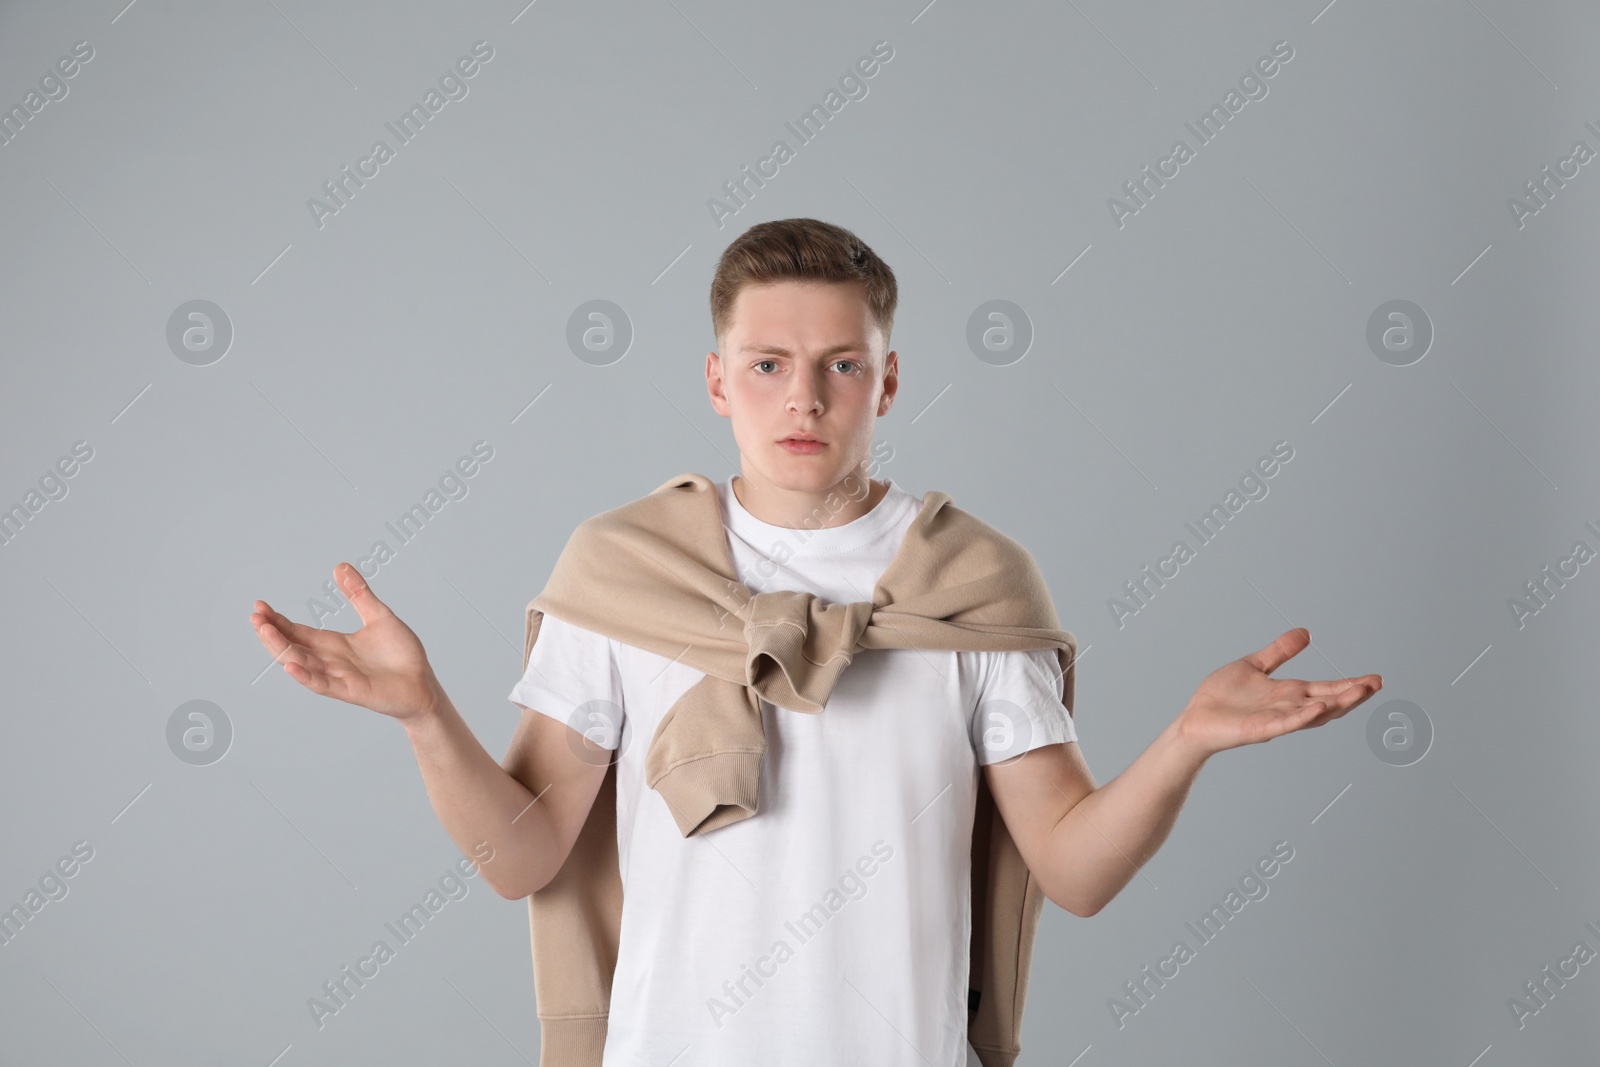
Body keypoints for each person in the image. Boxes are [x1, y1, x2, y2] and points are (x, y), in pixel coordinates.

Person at [248, 218, 1382, 1066]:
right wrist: (422, 714)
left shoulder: (972, 585)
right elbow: (524, 859)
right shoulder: (620, 572)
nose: (806, 398)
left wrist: (1184, 739)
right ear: (716, 380)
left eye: (842, 364)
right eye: (768, 364)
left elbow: (1073, 871)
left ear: (886, 379)